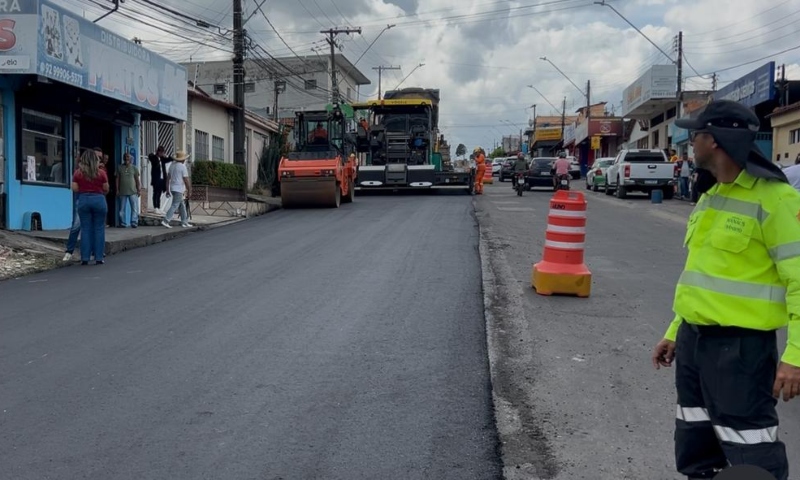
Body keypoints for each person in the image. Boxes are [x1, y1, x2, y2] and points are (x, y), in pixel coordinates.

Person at [651, 100, 800, 480]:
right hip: (693, 342)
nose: (689, 144)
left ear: (714, 140)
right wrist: (675, 331)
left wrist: (794, 356)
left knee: (751, 447)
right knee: (695, 438)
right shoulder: (711, 196)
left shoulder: (777, 200)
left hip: (742, 350)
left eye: (694, 135)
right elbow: (702, 274)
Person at [72, 149, 109, 265]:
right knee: (99, 228)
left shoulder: (78, 173)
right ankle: (99, 257)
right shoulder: (101, 173)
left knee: (85, 229)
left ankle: (85, 258)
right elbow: (106, 189)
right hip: (99, 200)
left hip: (84, 200)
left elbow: (75, 188)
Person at [161, 150, 193, 229]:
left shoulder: (172, 165)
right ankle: (166, 220)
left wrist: (167, 189)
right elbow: (186, 180)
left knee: (181, 205)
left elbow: (168, 179)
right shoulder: (182, 167)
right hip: (179, 189)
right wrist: (189, 190)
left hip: (173, 188)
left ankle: (184, 222)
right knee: (175, 205)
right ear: (183, 159)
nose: (185, 160)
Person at [116, 152, 141, 228]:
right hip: (122, 191)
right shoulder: (119, 167)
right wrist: (117, 189)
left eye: (128, 157)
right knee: (121, 209)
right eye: (125, 157)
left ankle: (134, 222)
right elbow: (117, 179)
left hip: (133, 191)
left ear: (130, 159)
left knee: (134, 208)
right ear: (124, 158)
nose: (127, 158)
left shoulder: (134, 168)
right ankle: (123, 223)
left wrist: (139, 189)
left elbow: (137, 180)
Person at [148, 146, 173, 212]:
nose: (162, 153)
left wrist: (166, 156)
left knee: (159, 193)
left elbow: (170, 159)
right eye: (161, 152)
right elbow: (150, 156)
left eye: (163, 152)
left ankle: (158, 207)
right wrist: (157, 155)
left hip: (162, 178)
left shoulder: (163, 159)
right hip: (156, 178)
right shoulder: (154, 158)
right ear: (158, 152)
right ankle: (155, 207)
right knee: (155, 192)